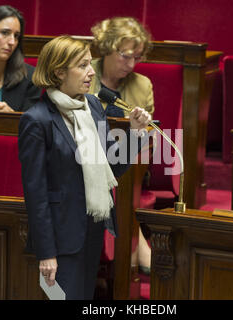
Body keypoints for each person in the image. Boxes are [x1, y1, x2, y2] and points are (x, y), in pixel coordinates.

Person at [18, 35, 151, 299]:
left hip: (91, 230)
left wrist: (135, 134)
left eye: (91, 64)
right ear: (59, 72)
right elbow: (36, 194)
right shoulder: (37, 120)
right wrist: (47, 253)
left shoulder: (91, 106)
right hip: (60, 238)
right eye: (83, 65)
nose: (92, 72)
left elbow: (111, 168)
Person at [90, 16, 154, 274]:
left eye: (136, 57)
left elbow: (149, 139)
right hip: (83, 158)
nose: (131, 64)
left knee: (117, 180)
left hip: (127, 164)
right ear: (107, 47)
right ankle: (135, 247)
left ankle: (119, 262)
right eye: (126, 55)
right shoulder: (83, 71)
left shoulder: (142, 85)